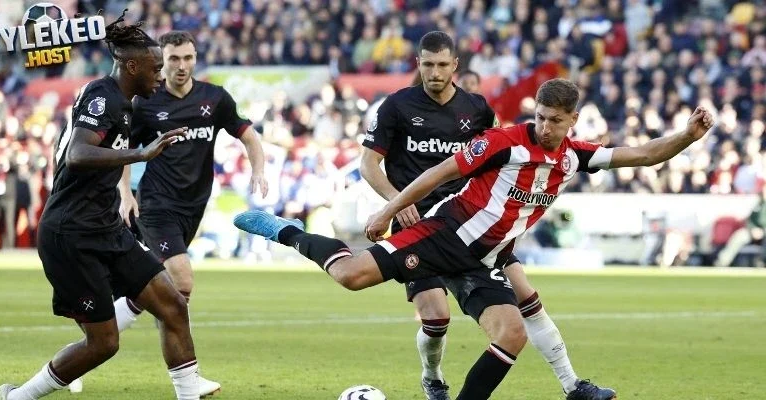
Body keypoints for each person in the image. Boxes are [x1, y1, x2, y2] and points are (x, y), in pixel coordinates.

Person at [234, 78, 714, 400]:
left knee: (512, 333)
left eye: (555, 120)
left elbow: (647, 154)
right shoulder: (503, 141)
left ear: (573, 122)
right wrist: (389, 208)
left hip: (484, 259)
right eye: (541, 117)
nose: (545, 127)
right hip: (442, 235)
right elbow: (440, 172)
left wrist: (688, 137)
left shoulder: (577, 156)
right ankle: (284, 230)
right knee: (350, 275)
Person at [361, 32, 614, 400]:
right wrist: (396, 202)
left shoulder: (477, 109)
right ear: (418, 63)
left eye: (443, 65)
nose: (435, 72)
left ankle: (572, 384)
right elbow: (368, 164)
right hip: (419, 224)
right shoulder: (396, 107)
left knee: (527, 298)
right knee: (435, 320)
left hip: (475, 222)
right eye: (428, 64)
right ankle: (433, 378)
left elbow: (498, 155)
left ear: (455, 66)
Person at [0, 15, 205, 400]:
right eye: (156, 67)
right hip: (71, 233)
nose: (160, 75)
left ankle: (189, 394)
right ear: (131, 66)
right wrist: (139, 153)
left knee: (173, 305)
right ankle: (17, 397)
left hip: (106, 227)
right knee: (103, 343)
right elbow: (76, 154)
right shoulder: (103, 96)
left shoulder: (123, 102)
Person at [110, 30, 267, 396]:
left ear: (196, 58)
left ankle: (109, 324)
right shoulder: (147, 102)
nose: (182, 66)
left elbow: (248, 135)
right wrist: (124, 194)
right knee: (180, 281)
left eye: (188, 58)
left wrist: (258, 169)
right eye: (174, 59)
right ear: (161, 61)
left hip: (192, 208)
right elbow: (124, 149)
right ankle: (186, 377)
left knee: (163, 289)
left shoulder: (214, 98)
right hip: (156, 204)